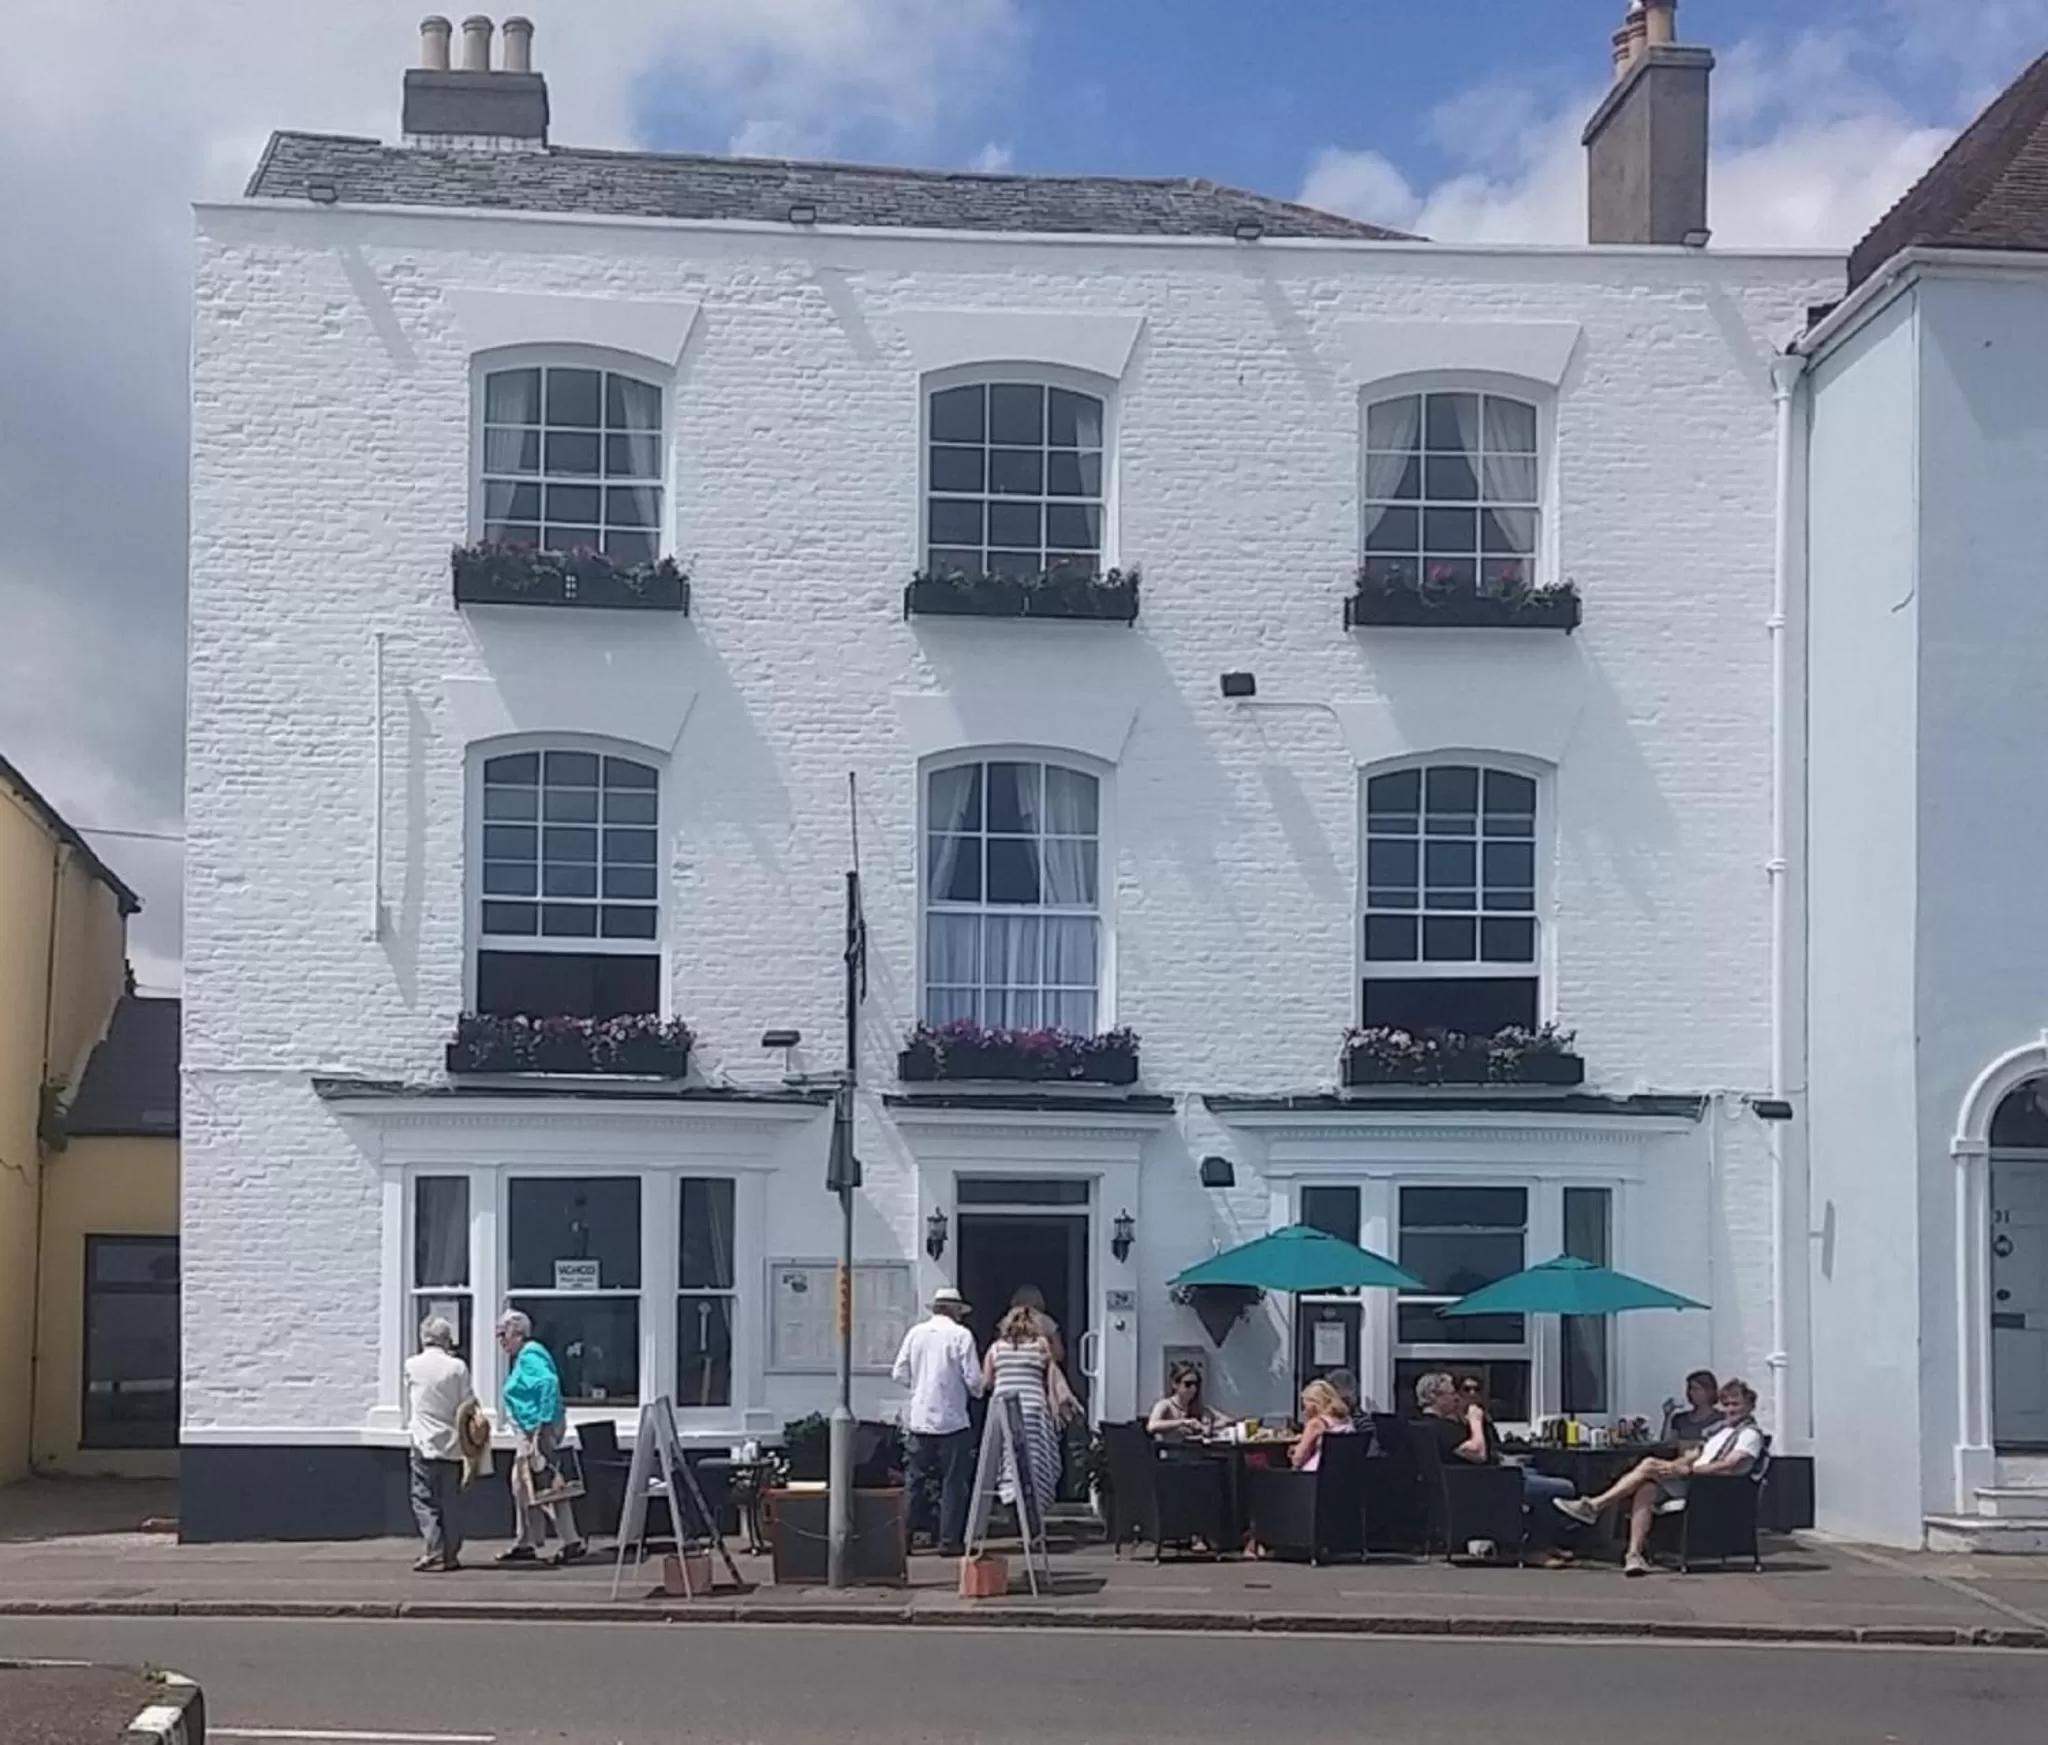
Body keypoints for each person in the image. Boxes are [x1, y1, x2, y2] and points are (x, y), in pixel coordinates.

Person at [1555, 1378, 1766, 1576]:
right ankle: (1634, 1555)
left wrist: (1687, 1471)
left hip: (1712, 1489)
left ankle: (1594, 1506)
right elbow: (1695, 1455)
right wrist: (1675, 1466)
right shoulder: (1724, 1431)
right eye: (1726, 1404)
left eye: (1735, 1405)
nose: (1730, 1409)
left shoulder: (1749, 1434)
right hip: (1695, 1482)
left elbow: (1730, 1465)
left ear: (1749, 1406)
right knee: (1646, 1487)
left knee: (1648, 1464)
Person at [1416, 1371, 1574, 1566]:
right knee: (1562, 1488)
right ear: (1434, 1397)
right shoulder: (1439, 1428)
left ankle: (1541, 1543)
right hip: (1486, 1488)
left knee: (1535, 1472)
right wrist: (1475, 1422)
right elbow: (1479, 1453)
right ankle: (1532, 1549)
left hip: (1480, 1481)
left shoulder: (1425, 1425)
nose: (1456, 1397)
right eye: (1451, 1393)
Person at [891, 1286, 984, 1555]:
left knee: (915, 1480)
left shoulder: (915, 1333)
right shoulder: (961, 1335)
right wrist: (975, 1393)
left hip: (920, 1418)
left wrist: (919, 1388)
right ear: (956, 1310)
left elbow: (898, 1372)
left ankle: (903, 1539)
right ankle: (949, 1540)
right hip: (953, 1419)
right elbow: (974, 1380)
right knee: (954, 1482)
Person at [495, 1310, 586, 1567]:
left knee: (544, 1483)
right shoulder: (524, 1355)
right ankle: (529, 1541)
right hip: (529, 1430)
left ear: (518, 1333)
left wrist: (541, 1426)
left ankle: (568, 1541)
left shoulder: (530, 1354)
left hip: (536, 1431)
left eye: (503, 1333)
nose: (500, 1339)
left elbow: (548, 1382)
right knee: (525, 1484)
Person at [404, 1315, 476, 1573]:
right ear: (447, 1339)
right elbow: (468, 1404)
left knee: (423, 1497)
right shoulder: (458, 1367)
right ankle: (451, 1554)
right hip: (453, 1443)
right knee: (452, 1501)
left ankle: (433, 1546)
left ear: (424, 1338)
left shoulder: (411, 1365)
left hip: (423, 1440)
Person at [984, 1304, 1061, 1524]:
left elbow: (986, 1382)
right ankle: (1034, 1511)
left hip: (1003, 1411)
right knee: (1035, 1463)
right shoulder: (1041, 1345)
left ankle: (1012, 1505)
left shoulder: (996, 1348)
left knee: (1008, 1461)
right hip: (1034, 1410)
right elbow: (1052, 1367)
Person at [1289, 1378, 1356, 1473]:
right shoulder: (1346, 1420)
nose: (1303, 1410)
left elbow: (1298, 1460)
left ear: (1314, 1404)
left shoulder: (1316, 1424)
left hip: (1314, 1477)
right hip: (1344, 1473)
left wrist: (1295, 1452)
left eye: (1304, 1405)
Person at [1148, 1361, 1228, 1437]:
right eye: (1188, 1384)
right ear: (1175, 1384)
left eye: (1196, 1384)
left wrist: (1208, 1425)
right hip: (1172, 1449)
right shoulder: (1165, 1405)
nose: (1193, 1389)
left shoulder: (1197, 1407)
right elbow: (1152, 1426)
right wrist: (1183, 1422)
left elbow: (1228, 1421)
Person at [1662, 1370, 1723, 1445]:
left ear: (1709, 1391)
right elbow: (1666, 1444)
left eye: (1695, 1389)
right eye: (1690, 1388)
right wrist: (1668, 1416)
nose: (1691, 1392)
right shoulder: (1679, 1419)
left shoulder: (1721, 1419)